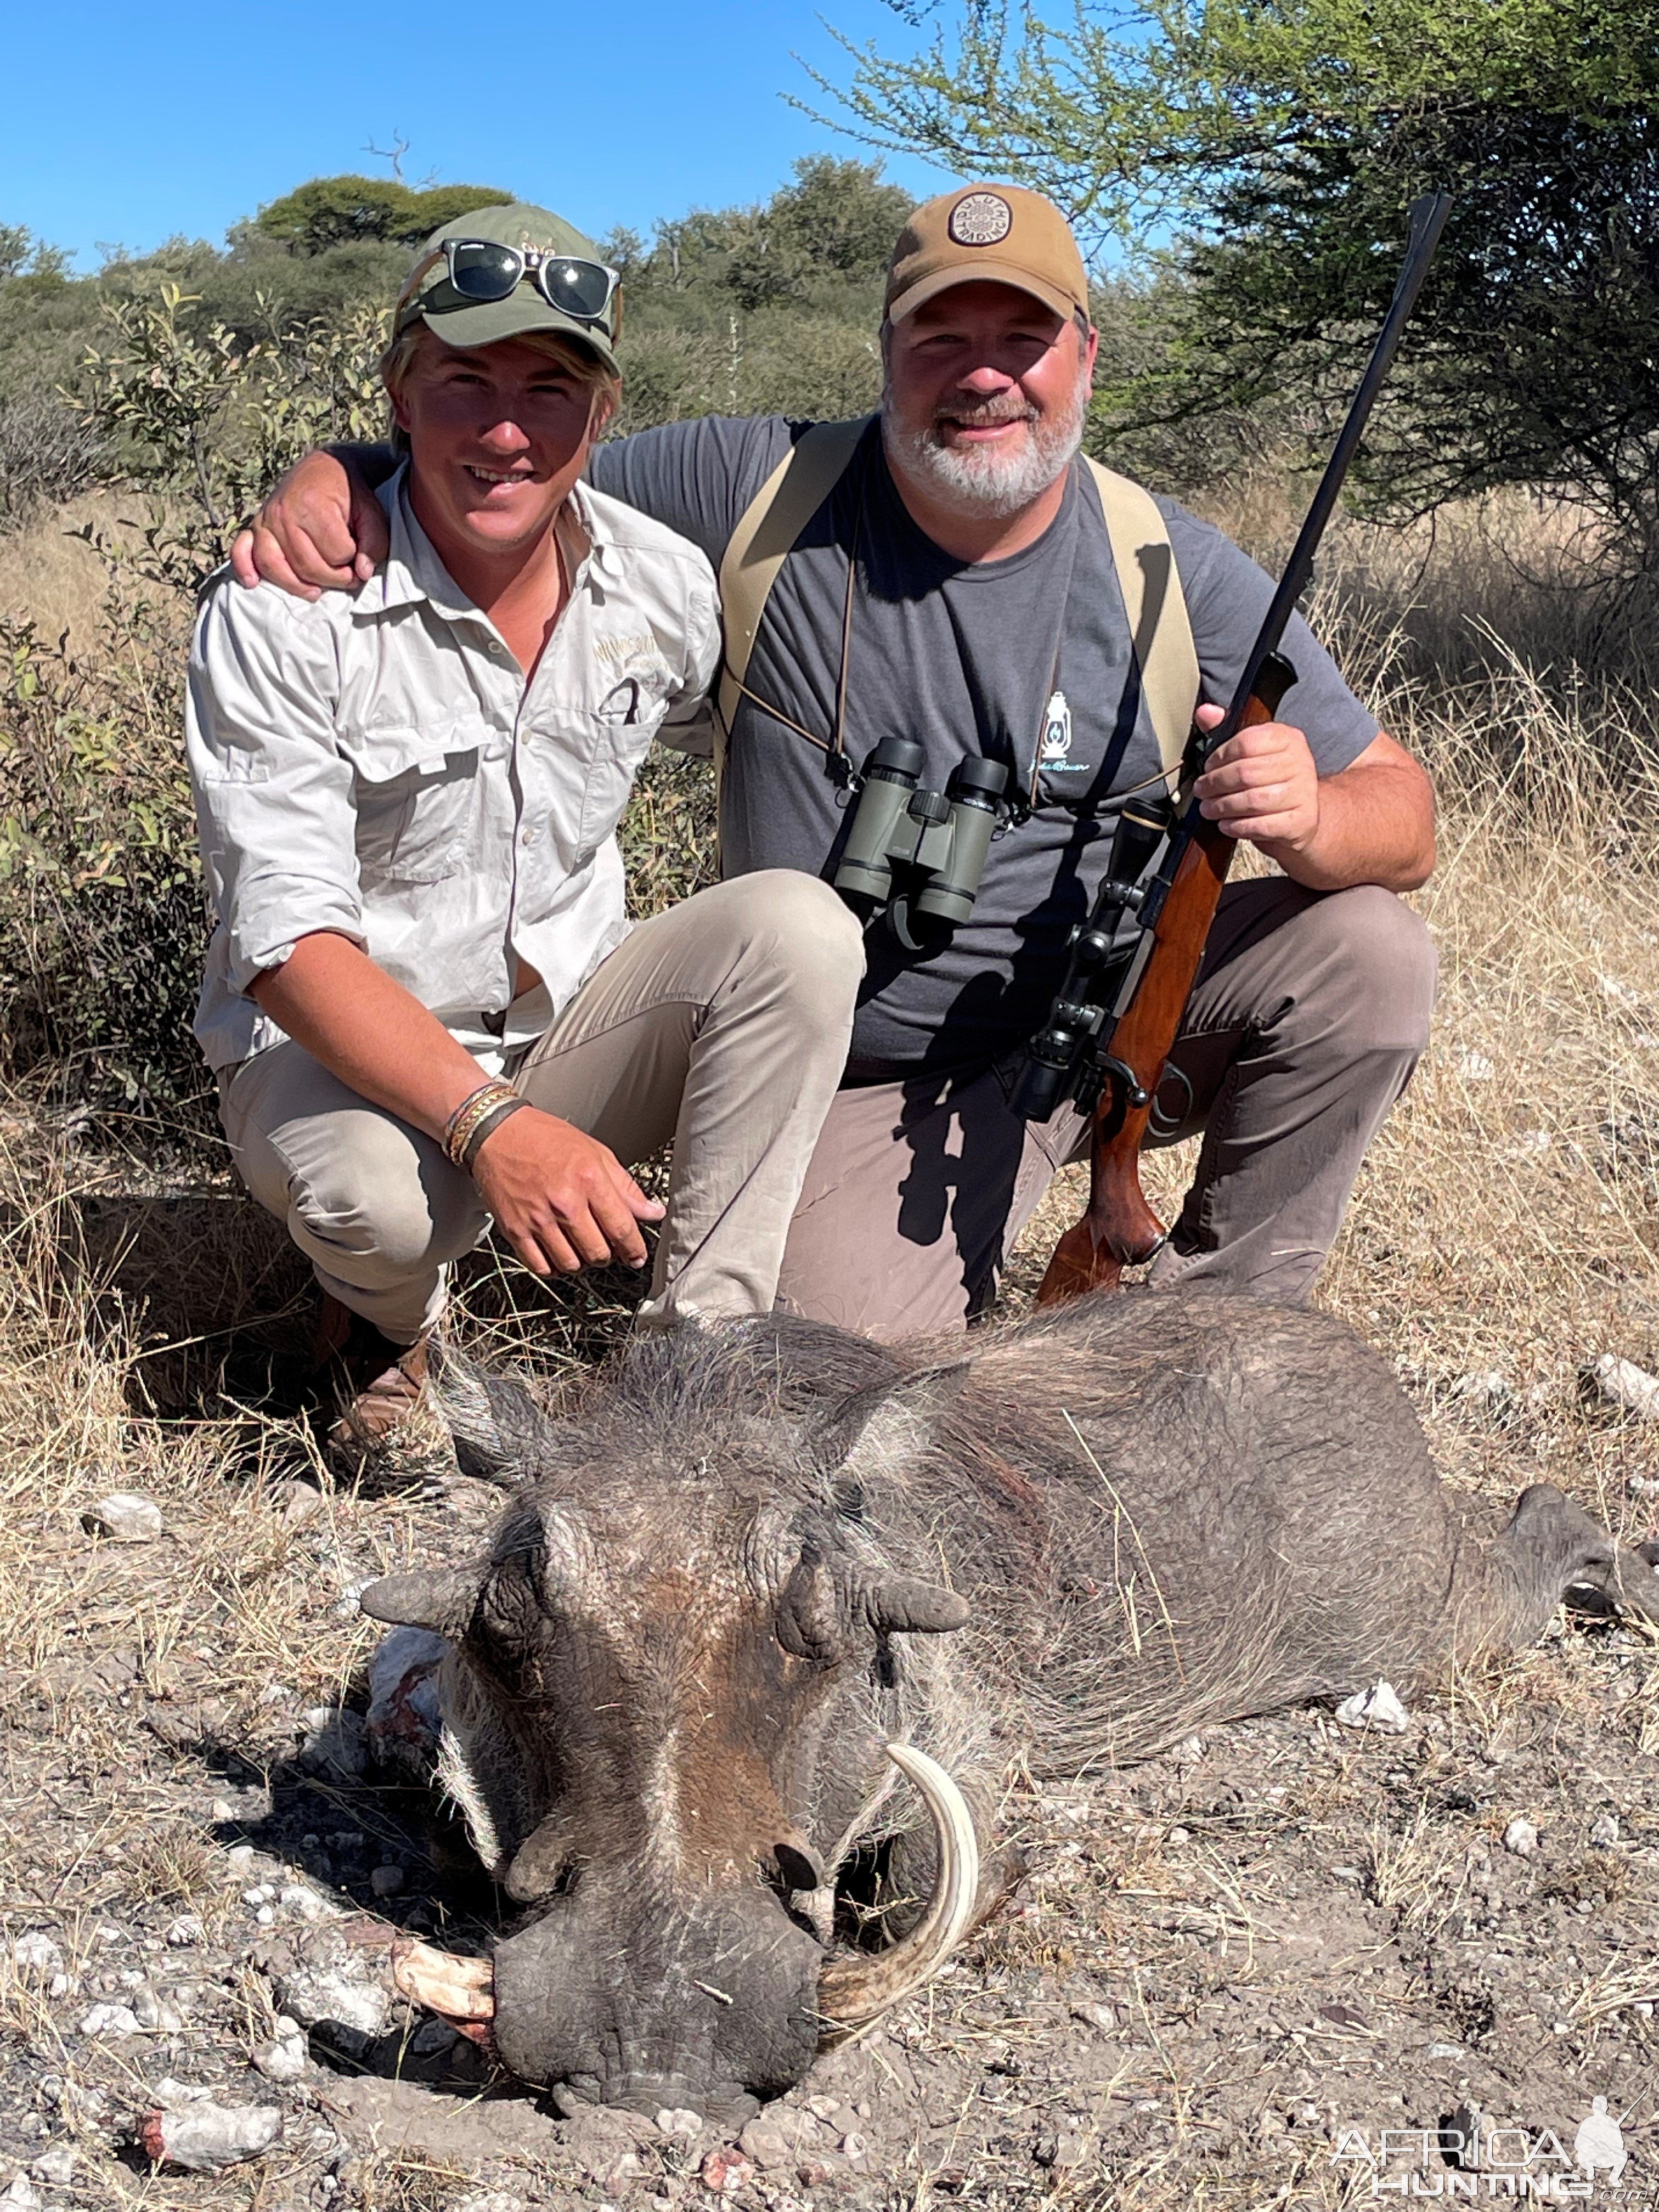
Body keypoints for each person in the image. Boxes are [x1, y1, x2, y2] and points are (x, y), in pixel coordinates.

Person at [232, 183, 1437, 1343]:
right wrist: (337, 474)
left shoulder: (1168, 565)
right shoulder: (758, 485)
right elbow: (509, 457)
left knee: (1368, 954)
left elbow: (1407, 817)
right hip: (864, 1076)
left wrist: (1312, 814)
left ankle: (1219, 1333)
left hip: (1106, 1030)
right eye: (939, 336)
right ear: (886, 350)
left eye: (1023, 337)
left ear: (1085, 354)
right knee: (827, 1373)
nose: (982, 375)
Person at [191, 201, 864, 1447]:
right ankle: (391, 1325)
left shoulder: (664, 586)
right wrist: (490, 1127)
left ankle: (698, 1376)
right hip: (345, 1060)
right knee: (373, 1205)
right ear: (399, 390)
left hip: (565, 1031)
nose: (506, 431)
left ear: (605, 416)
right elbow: (284, 949)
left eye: (551, 388)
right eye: (462, 381)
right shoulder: (284, 611)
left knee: (798, 931)